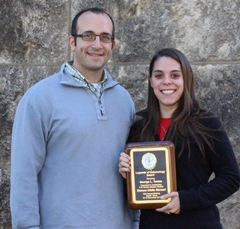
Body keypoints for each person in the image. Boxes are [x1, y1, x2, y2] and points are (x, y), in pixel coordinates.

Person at [10, 7, 139, 229]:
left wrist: (136, 222)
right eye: (88, 36)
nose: (97, 44)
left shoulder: (123, 100)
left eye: (105, 37)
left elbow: (133, 173)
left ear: (113, 45)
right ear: (72, 42)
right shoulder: (40, 98)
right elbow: (24, 175)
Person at [119, 48, 240, 229]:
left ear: (186, 80)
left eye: (175, 75)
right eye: (159, 76)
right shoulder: (138, 126)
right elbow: (137, 190)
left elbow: (231, 178)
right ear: (151, 81)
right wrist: (125, 174)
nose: (167, 82)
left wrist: (185, 200)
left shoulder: (206, 123)